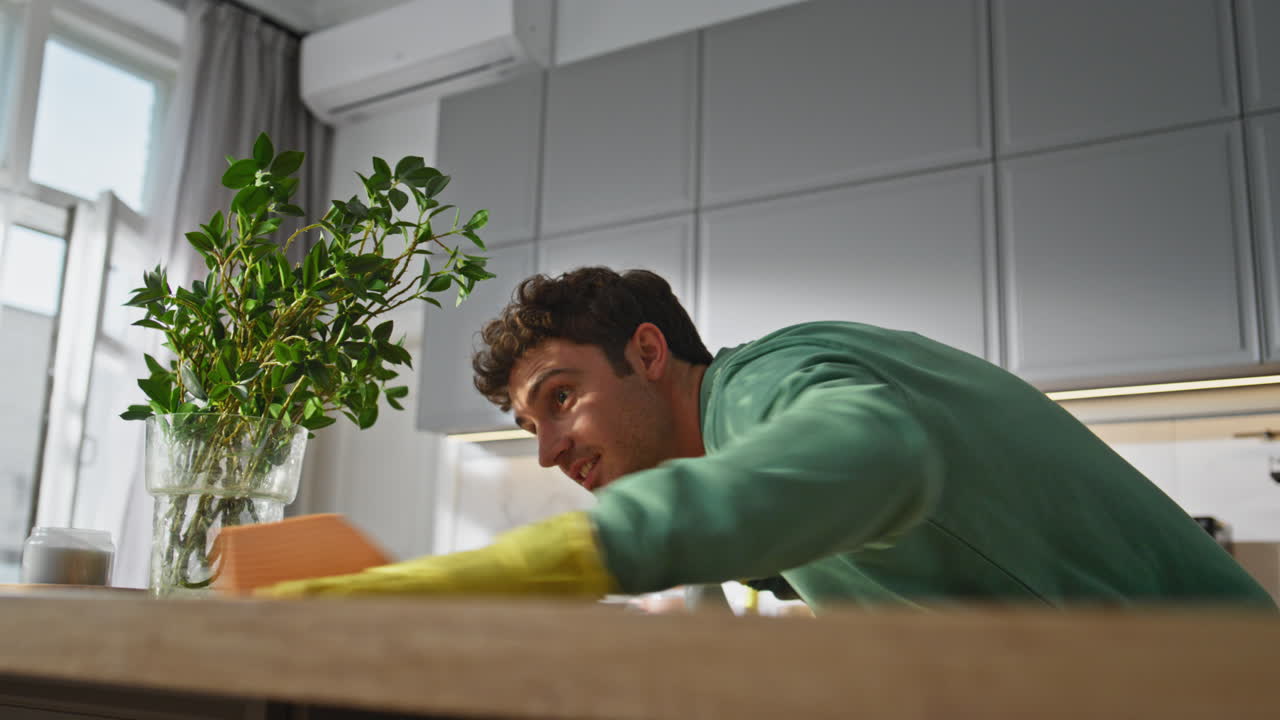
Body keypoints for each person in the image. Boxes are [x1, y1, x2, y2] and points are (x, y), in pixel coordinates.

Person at [259, 267, 1275, 611]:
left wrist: (545, 562)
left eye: (559, 397)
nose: (548, 452)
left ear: (649, 352)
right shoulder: (758, 438)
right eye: (530, 428)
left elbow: (870, 456)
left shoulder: (769, 381)